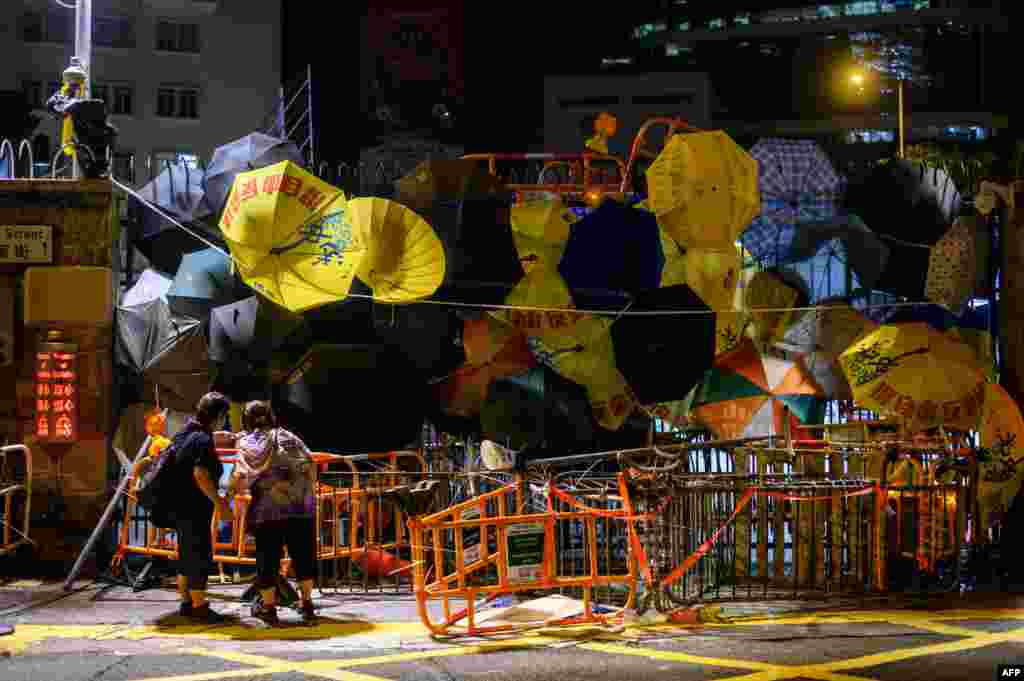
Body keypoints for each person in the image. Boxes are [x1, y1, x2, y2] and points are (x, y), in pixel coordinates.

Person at [227, 401, 318, 626]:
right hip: (300, 508)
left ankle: (269, 609)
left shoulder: (246, 443)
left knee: (267, 560)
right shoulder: (288, 436)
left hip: (267, 512)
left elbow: (239, 478)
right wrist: (305, 493)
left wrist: (227, 498)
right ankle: (307, 606)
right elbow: (311, 463)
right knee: (303, 556)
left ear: (246, 420)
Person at [170, 392, 232, 623]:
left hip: (179, 505)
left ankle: (187, 602)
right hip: (195, 506)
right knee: (199, 554)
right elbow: (201, 474)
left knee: (186, 553)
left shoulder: (183, 433)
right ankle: (199, 606)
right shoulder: (203, 439)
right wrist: (220, 502)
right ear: (219, 416)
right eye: (224, 416)